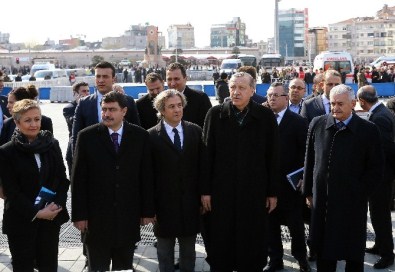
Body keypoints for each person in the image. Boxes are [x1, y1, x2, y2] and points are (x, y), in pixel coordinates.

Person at [202, 72, 279, 271]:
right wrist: (205, 191)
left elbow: (272, 156)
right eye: (233, 87)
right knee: (221, 241)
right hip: (221, 192)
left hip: (254, 191)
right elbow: (206, 155)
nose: (236, 92)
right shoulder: (216, 114)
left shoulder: (264, 116)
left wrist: (272, 192)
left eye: (242, 88)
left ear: (253, 90)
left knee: (252, 240)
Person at [303, 84, 383, 272]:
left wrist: (360, 192)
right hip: (323, 201)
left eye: (340, 104)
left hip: (351, 203)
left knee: (352, 253)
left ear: (353, 103)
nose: (335, 108)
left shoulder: (368, 130)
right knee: (324, 251)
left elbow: (376, 168)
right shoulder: (318, 123)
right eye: (332, 104)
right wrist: (308, 191)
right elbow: (309, 160)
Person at [71, 91, 155, 271]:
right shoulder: (86, 136)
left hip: (128, 217)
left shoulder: (140, 136)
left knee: (123, 268)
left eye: (112, 109)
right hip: (96, 219)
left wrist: (147, 210)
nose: (107, 114)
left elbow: (146, 176)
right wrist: (79, 215)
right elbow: (78, 179)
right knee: (97, 267)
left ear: (124, 111)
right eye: (104, 109)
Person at [0, 99, 70, 271]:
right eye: (28, 120)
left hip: (50, 220)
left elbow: (62, 179)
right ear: (17, 122)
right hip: (21, 222)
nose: (33, 124)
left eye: (37, 119)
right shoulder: (6, 151)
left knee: (48, 266)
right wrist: (37, 213)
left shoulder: (51, 144)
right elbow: (12, 191)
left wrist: (56, 206)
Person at [148, 89, 207, 272]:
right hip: (163, 205)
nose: (177, 110)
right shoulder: (150, 136)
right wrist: (149, 207)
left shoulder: (195, 131)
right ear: (162, 110)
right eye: (171, 106)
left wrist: (204, 195)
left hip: (190, 203)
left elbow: (203, 167)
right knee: (164, 251)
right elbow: (147, 175)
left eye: (179, 105)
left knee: (188, 251)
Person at [263, 82, 310, 272]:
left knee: (295, 225)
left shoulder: (298, 122)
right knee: (270, 225)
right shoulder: (263, 121)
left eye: (276, 95)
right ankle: (275, 259)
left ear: (286, 98)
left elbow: (308, 152)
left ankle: (301, 258)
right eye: (269, 95)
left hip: (291, 185)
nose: (272, 98)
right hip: (268, 184)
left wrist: (303, 175)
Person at [357, 85, 395, 269]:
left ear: (362, 102)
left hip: (382, 177)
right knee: (378, 214)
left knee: (380, 216)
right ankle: (380, 245)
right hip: (383, 175)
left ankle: (387, 254)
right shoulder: (382, 110)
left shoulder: (379, 117)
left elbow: (384, 149)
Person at [72, 61, 140, 151]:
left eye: (105, 76)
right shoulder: (84, 104)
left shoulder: (128, 101)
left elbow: (137, 133)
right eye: (98, 76)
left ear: (113, 79)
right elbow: (76, 137)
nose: (101, 80)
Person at [166, 62, 211, 128]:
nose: (172, 83)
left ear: (185, 79)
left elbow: (208, 126)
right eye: (169, 79)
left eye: (176, 79)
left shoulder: (200, 98)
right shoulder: (163, 100)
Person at [63, 81, 90, 174]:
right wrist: (80, 105)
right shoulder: (69, 108)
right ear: (75, 94)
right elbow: (72, 121)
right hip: (75, 146)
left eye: (88, 91)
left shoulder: (92, 105)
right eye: (83, 91)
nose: (86, 93)